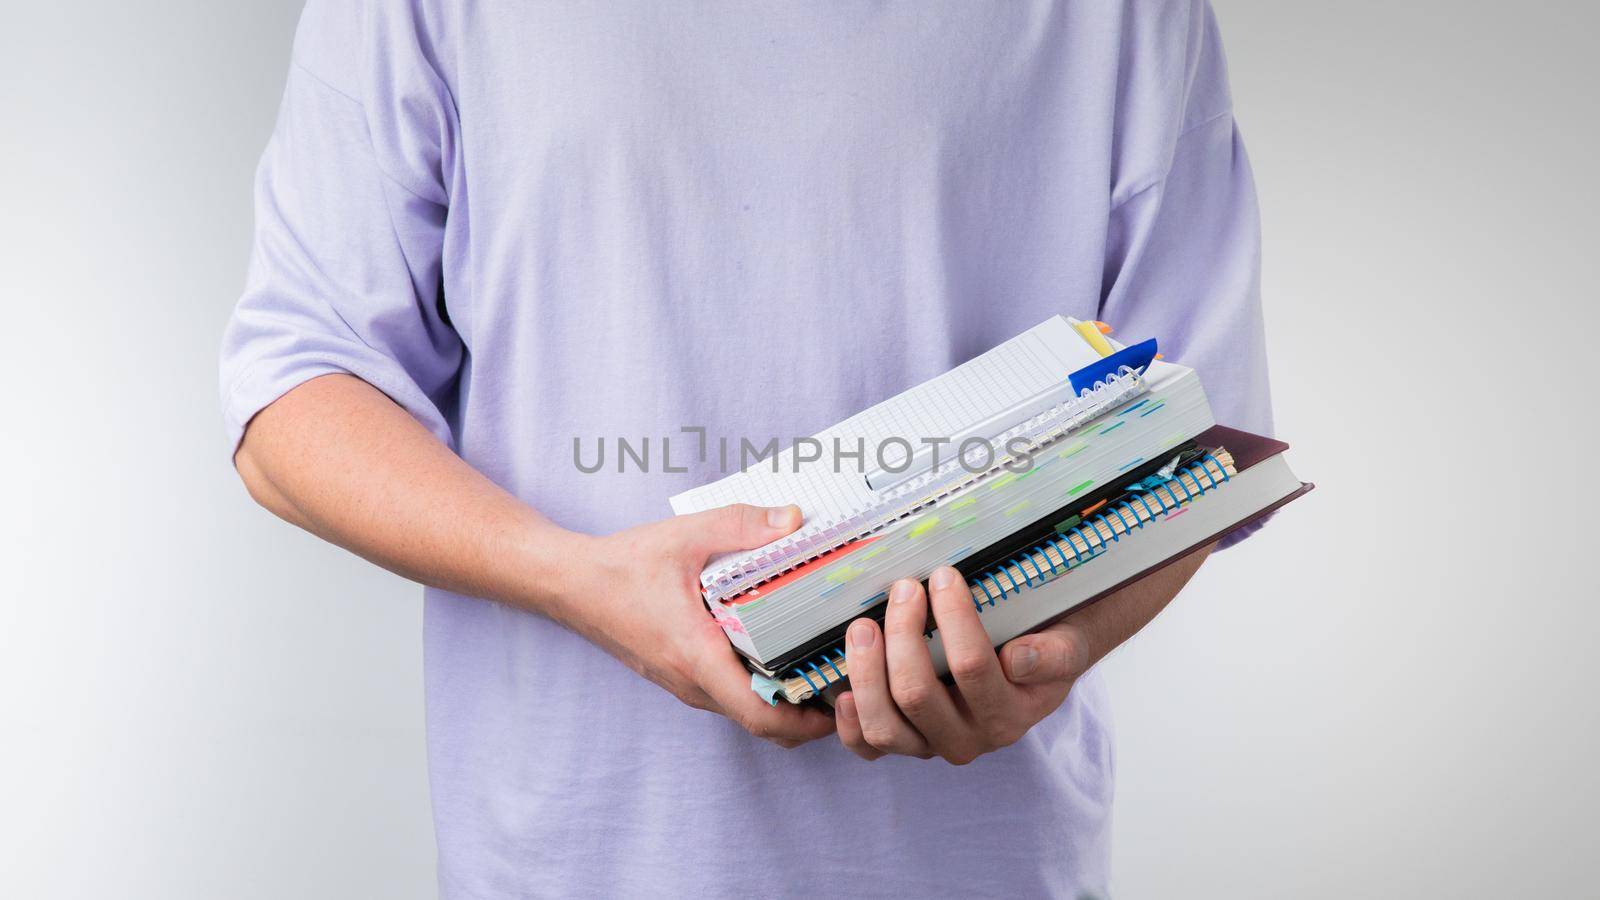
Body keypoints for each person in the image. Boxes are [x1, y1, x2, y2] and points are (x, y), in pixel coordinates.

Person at [220, 1, 1272, 895]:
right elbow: (298, 389)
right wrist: (571, 579)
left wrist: (1057, 643)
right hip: (574, 859)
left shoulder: (1124, 15)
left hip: (979, 857)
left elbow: (1193, 428)